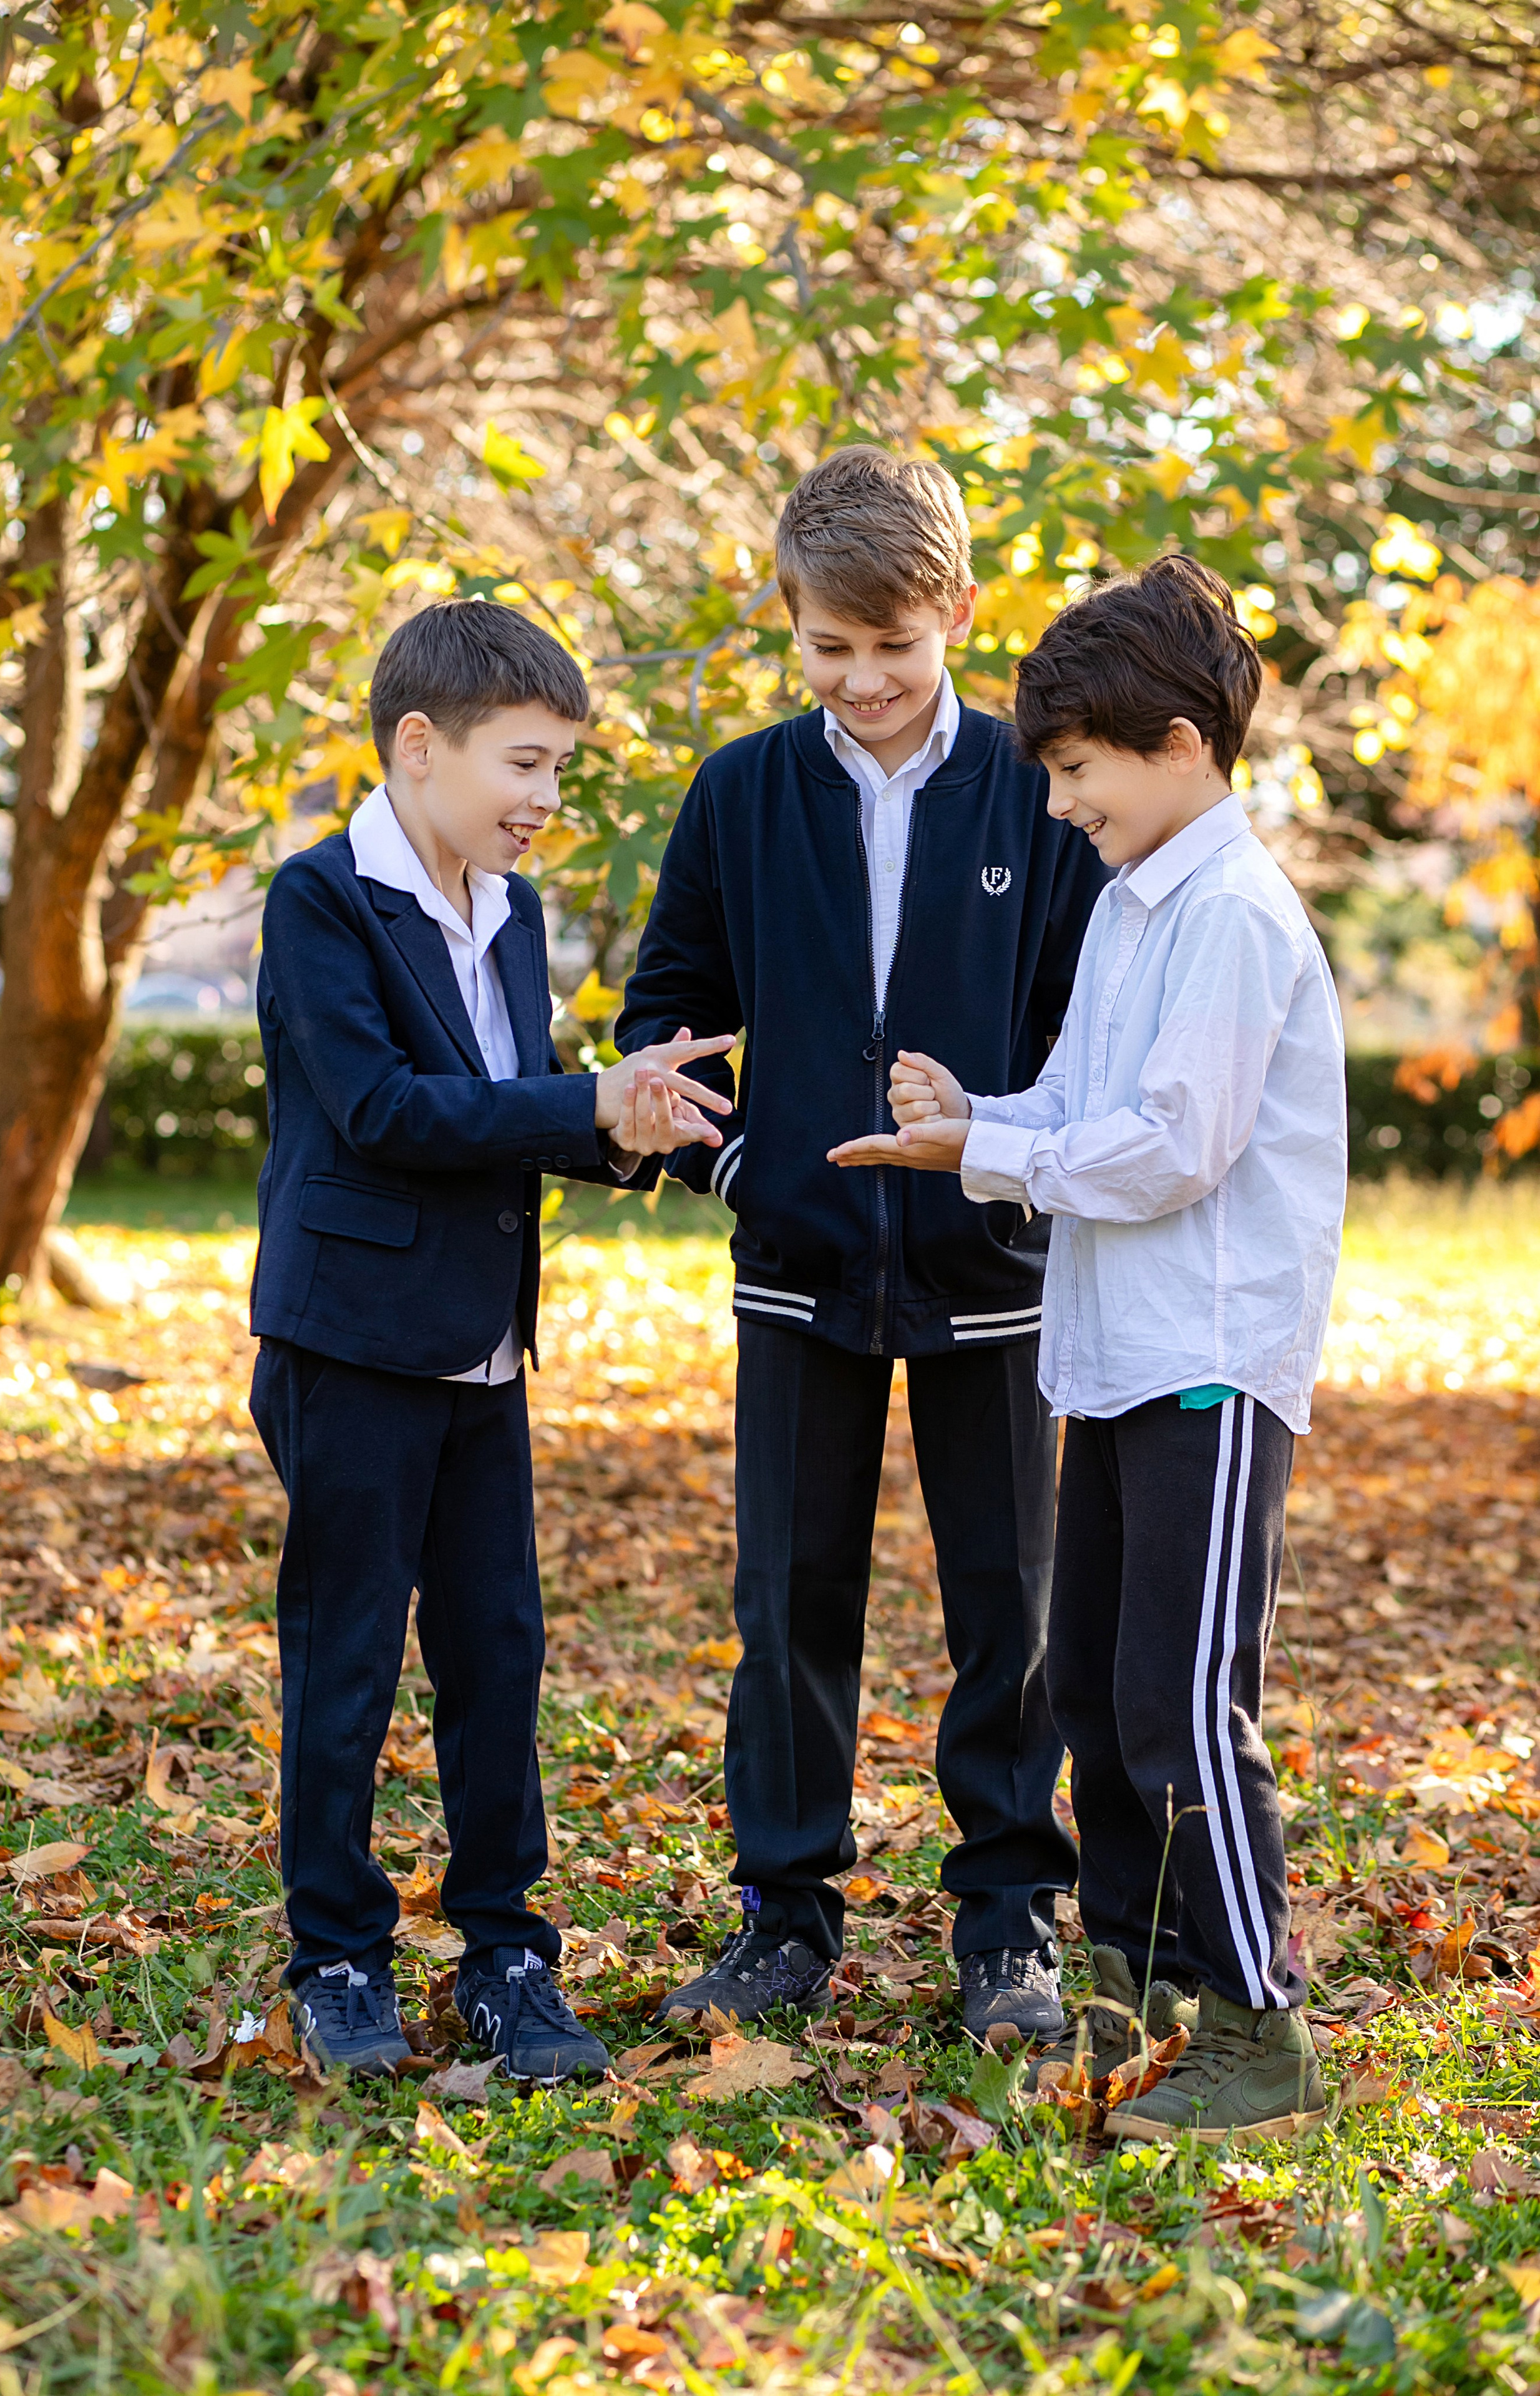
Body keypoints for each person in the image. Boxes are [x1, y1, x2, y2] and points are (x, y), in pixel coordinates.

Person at [831, 553, 1343, 2140]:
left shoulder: (1236, 919)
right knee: (1100, 1690)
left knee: (1184, 1702)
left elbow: (1171, 1149)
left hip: (1204, 1359)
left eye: (1072, 770)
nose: (1054, 805)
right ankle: (1135, 1977)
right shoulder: (1138, 904)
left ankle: (1255, 2031)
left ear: (1179, 744)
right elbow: (1077, 1104)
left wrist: (995, 1159)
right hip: (1113, 1357)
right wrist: (970, 1123)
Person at [616, 446, 1109, 2045]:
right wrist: (744, 1166)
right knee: (790, 1599)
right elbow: (664, 1026)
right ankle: (783, 1913)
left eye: (894, 647)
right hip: (797, 1269)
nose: (866, 679)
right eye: (830, 649)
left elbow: (1087, 1025)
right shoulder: (740, 793)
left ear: (956, 614)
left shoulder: (1036, 794)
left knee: (1008, 1609)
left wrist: (1010, 1139)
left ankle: (1007, 1918)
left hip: (995, 1272)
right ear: (789, 624)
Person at [250, 600, 733, 2080]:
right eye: (525, 764)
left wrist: (625, 1121)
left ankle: (507, 1951)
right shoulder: (321, 900)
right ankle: (336, 1954)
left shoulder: (509, 912)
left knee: (496, 1653)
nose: (543, 800)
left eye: (561, 773)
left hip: (478, 1349)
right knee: (345, 1664)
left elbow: (510, 1104)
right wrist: (573, 1100)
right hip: (350, 1348)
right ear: (418, 746)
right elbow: (387, 1111)